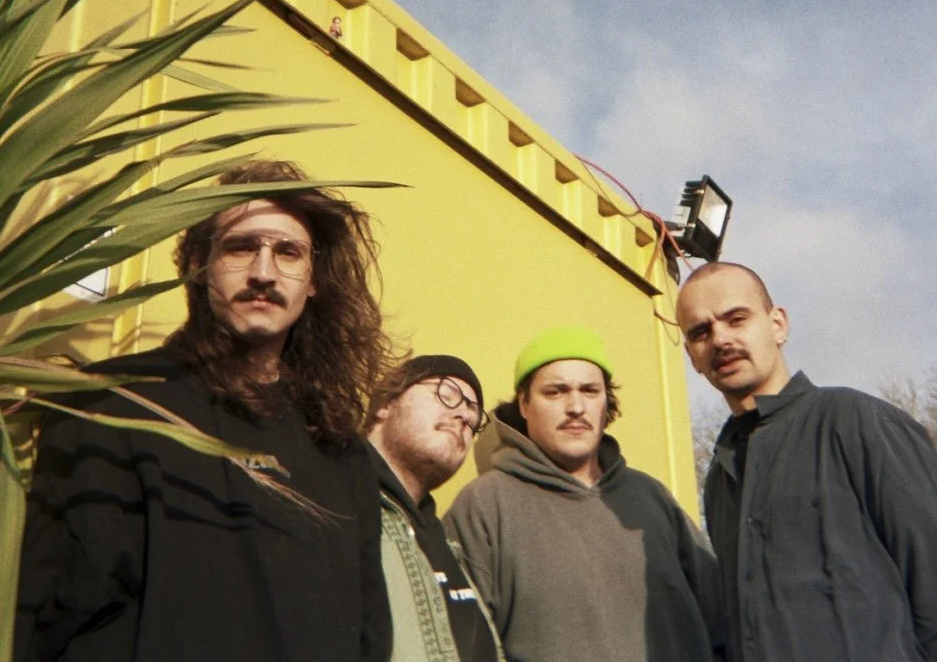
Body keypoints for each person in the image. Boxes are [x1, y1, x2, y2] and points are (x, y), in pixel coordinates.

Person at [0, 160, 395, 662]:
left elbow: (368, 632)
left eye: (288, 252)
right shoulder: (113, 403)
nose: (263, 272)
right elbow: (31, 607)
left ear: (313, 281)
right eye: (240, 247)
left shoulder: (339, 450)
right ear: (196, 266)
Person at [677, 261, 937, 662]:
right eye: (701, 332)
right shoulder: (720, 478)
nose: (720, 340)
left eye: (736, 319)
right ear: (692, 356)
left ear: (777, 324)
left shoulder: (854, 420)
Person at [445, 326, 723, 662]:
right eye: (555, 392)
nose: (576, 406)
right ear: (523, 404)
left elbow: (721, 621)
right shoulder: (484, 506)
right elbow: (464, 645)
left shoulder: (651, 497)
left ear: (606, 403)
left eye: (590, 390)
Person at [365, 355, 504, 662]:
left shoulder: (443, 544)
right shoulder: (335, 505)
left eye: (473, 413)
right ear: (385, 403)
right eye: (448, 394)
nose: (464, 417)